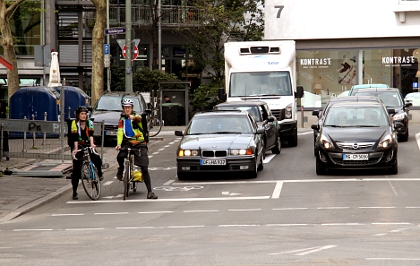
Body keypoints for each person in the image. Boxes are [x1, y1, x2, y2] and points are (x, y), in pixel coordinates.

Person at [115, 98, 158, 199]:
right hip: (128, 143)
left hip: (139, 144)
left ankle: (150, 192)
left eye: (129, 107)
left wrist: (133, 118)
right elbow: (120, 132)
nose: (127, 109)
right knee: (120, 156)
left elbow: (139, 119)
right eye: (125, 108)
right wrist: (118, 144)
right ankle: (121, 169)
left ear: (132, 108)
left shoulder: (137, 117)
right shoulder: (122, 120)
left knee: (144, 168)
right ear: (123, 108)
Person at [70, 106, 103, 200]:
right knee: (76, 170)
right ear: (78, 115)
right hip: (78, 145)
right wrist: (76, 149)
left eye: (85, 114)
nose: (84, 116)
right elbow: (75, 137)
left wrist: (92, 144)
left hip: (88, 144)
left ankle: (99, 173)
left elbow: (91, 135)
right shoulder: (74, 123)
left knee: (96, 158)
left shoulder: (89, 123)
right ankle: (74, 191)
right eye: (82, 114)